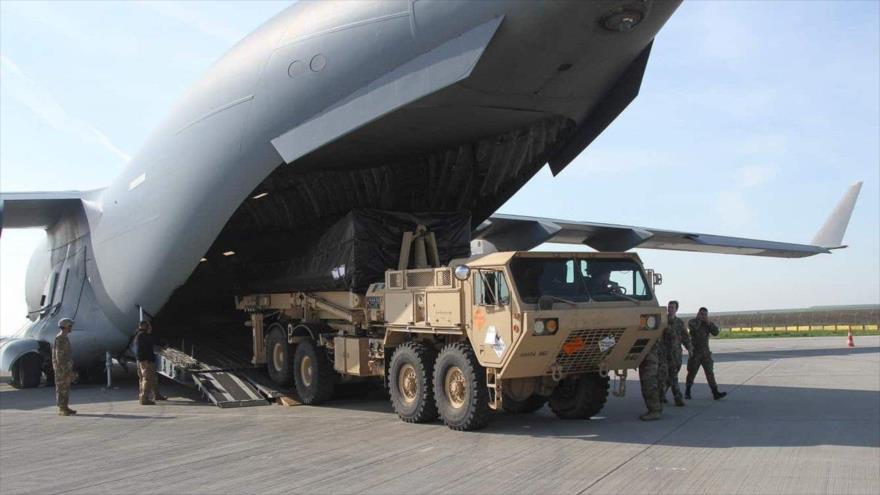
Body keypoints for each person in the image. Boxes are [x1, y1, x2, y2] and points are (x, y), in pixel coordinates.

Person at [686, 307, 727, 400]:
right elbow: (694, 329)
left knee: (710, 373)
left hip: (705, 353)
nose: (703, 316)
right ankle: (687, 391)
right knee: (692, 372)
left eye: (705, 314)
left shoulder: (707, 324)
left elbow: (716, 332)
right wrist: (700, 320)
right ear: (698, 314)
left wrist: (708, 323)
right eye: (701, 314)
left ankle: (715, 392)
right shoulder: (692, 322)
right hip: (695, 353)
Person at [660, 300, 691, 406]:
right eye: (669, 307)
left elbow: (685, 337)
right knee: (670, 376)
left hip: (676, 353)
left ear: (676, 309)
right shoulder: (663, 321)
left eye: (672, 307)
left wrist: (690, 348)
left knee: (671, 376)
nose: (670, 309)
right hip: (664, 353)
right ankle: (678, 398)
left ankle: (661, 394)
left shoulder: (679, 322)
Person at [133, 320, 166, 405]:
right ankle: (144, 398)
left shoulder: (138, 335)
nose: (150, 328)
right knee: (147, 379)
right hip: (146, 361)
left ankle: (156, 394)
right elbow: (154, 341)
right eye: (149, 326)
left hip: (141, 360)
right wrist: (164, 344)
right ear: (145, 327)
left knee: (151, 378)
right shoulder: (143, 336)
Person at [638, 335, 668, 421]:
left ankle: (655, 410)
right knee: (658, 382)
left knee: (650, 383)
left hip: (651, 360)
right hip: (655, 357)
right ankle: (657, 408)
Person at [52, 318, 77, 416]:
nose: (71, 328)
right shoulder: (60, 338)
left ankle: (65, 406)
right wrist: (64, 369)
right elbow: (59, 356)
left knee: (65, 387)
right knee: (61, 387)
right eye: (70, 326)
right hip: (61, 368)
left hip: (66, 367)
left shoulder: (64, 337)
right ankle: (62, 409)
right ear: (65, 326)